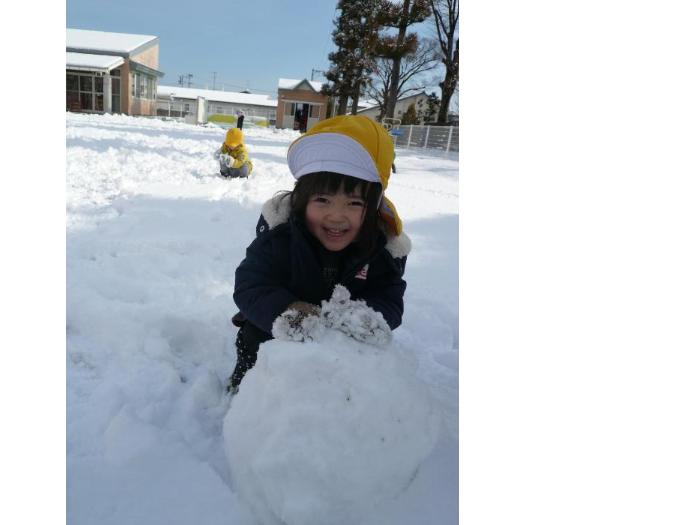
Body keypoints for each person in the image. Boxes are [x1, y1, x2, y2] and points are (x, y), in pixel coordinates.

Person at [228, 115, 411, 394]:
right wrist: (286, 310)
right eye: (322, 200)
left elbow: (389, 296)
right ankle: (247, 391)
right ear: (302, 201)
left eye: (354, 203)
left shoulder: (380, 251)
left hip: (342, 339)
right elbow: (251, 284)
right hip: (277, 330)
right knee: (253, 336)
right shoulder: (280, 238)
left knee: (357, 367)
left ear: (373, 207)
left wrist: (366, 316)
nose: (336, 216)